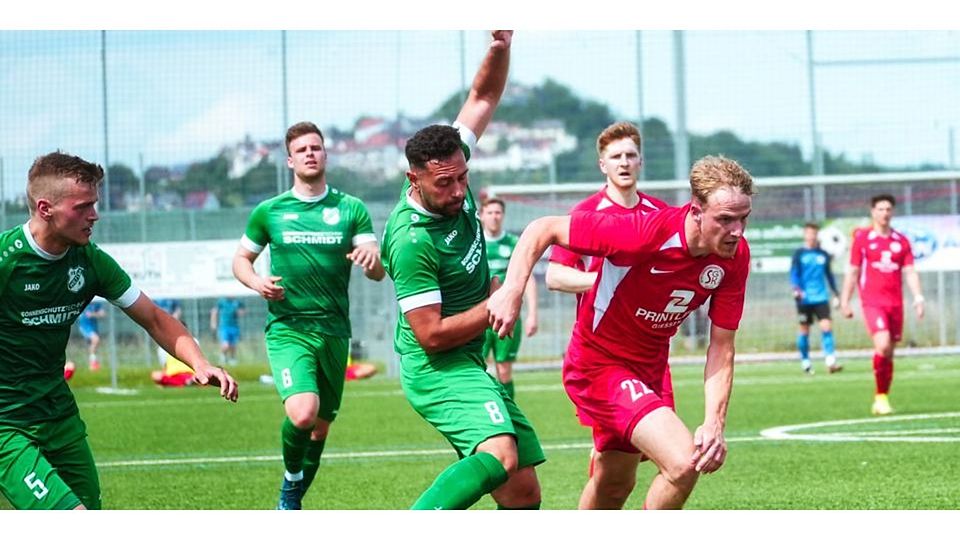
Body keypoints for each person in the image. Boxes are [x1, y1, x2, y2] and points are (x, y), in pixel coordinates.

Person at [489, 155, 754, 510]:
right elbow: (543, 228)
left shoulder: (734, 256)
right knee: (683, 462)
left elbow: (722, 345)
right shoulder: (642, 231)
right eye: (725, 219)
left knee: (614, 483)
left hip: (650, 369)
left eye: (743, 218)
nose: (737, 230)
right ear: (695, 210)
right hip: (598, 366)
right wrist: (512, 289)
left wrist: (714, 422)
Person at [0, 151, 238, 510]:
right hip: (7, 425)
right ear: (46, 208)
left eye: (94, 204)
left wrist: (199, 363)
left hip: (58, 414)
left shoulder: (90, 261)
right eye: (82, 207)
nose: (94, 215)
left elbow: (155, 318)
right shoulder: (7, 261)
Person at [382, 30, 545, 510]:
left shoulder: (451, 159)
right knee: (500, 454)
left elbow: (484, 95)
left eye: (463, 178)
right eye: (444, 183)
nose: (458, 191)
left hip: (469, 358)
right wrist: (499, 302)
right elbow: (430, 335)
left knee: (522, 492)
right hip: (438, 367)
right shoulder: (411, 241)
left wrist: (499, 48)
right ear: (414, 178)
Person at [233, 120, 386, 510]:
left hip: (334, 330)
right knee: (303, 413)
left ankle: (291, 506)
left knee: (319, 429)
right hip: (289, 328)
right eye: (302, 150)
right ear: (289, 161)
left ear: (326, 154)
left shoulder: (350, 208)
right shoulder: (271, 212)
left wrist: (371, 260)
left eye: (316, 147)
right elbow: (241, 259)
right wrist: (256, 282)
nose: (310, 154)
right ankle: (290, 488)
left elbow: (375, 267)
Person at [543, 121, 677, 509]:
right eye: (616, 156)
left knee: (646, 453)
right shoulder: (586, 214)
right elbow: (554, 274)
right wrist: (598, 282)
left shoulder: (659, 214)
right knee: (622, 465)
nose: (624, 162)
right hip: (603, 354)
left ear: (641, 162)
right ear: (603, 164)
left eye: (630, 155)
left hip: (651, 352)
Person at [839, 194, 924, 415]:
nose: (884, 213)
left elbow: (910, 271)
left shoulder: (901, 241)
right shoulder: (863, 239)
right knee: (883, 345)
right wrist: (845, 300)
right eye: (880, 209)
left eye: (888, 209)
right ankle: (880, 396)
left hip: (896, 304)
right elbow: (853, 271)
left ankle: (882, 397)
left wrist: (918, 297)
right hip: (872, 302)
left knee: (889, 353)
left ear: (892, 212)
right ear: (872, 211)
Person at [479, 197, 538, 399]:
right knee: (478, 369)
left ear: (503, 215)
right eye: (490, 212)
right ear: (481, 215)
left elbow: (528, 279)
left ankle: (509, 414)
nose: (494, 217)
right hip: (479, 317)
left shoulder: (514, 243)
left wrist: (532, 315)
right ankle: (484, 412)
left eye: (498, 212)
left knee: (504, 369)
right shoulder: (475, 244)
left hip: (507, 316)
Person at [790, 222, 842, 375]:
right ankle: (805, 361)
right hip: (804, 299)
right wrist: (796, 289)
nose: (811, 236)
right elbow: (794, 274)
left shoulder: (823, 254)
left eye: (814, 233)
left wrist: (836, 293)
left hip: (821, 297)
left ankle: (830, 361)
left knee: (826, 327)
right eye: (809, 233)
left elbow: (829, 276)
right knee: (804, 330)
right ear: (805, 235)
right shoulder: (799, 254)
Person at [210, 296, 246, 366]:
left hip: (234, 326)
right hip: (224, 326)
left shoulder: (237, 302)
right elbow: (214, 311)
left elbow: (242, 311)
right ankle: (223, 356)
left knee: (233, 344)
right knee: (226, 344)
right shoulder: (222, 301)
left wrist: (239, 312)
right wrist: (213, 323)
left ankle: (232, 359)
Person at [76, 300, 106, 371]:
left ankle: (92, 365)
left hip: (94, 327)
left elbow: (103, 314)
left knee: (92, 345)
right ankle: (93, 362)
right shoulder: (83, 301)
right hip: (85, 327)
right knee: (96, 339)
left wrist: (93, 314)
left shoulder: (96, 302)